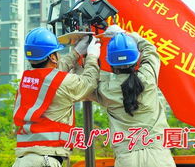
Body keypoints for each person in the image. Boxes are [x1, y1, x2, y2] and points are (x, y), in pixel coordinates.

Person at [88, 25, 176, 167]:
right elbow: (149, 49)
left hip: (127, 158)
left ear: (110, 63)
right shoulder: (148, 77)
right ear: (136, 59)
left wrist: (91, 56)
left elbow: (85, 81)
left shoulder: (105, 90)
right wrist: (126, 34)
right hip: (159, 156)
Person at [12, 27, 101, 167]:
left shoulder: (26, 81)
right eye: (57, 53)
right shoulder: (60, 82)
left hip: (23, 160)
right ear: (52, 57)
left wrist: (76, 53)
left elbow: (53, 76)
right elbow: (89, 82)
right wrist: (92, 56)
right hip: (45, 160)